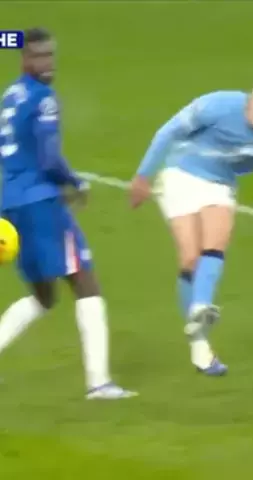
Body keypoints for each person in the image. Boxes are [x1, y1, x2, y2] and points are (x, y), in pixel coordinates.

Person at [130, 79, 253, 375]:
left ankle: (200, 314)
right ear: (250, 102)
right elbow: (167, 131)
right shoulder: (217, 105)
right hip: (181, 173)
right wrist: (143, 176)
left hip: (220, 184)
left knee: (215, 239)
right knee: (189, 259)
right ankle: (199, 336)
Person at [0, 28, 136, 399]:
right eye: (39, 56)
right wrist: (75, 182)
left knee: (44, 296)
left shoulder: (10, 95)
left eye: (50, 55)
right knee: (85, 281)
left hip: (11, 204)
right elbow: (49, 158)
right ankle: (99, 383)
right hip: (41, 203)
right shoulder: (44, 99)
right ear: (24, 59)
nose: (48, 63)